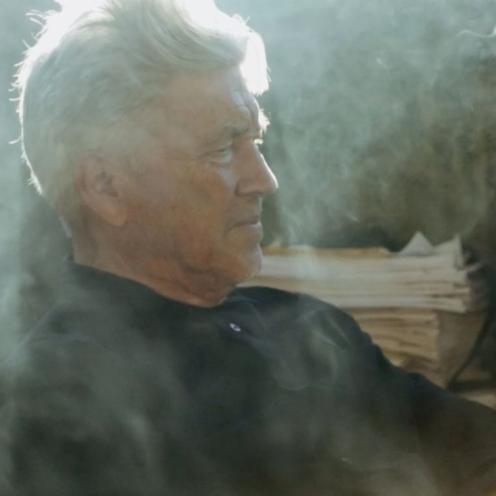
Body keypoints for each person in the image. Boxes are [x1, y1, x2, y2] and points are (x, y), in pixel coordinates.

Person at [2, 0, 496, 495]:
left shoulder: (305, 327)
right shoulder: (52, 405)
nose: (264, 180)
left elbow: (474, 447)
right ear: (106, 185)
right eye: (222, 148)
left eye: (255, 143)